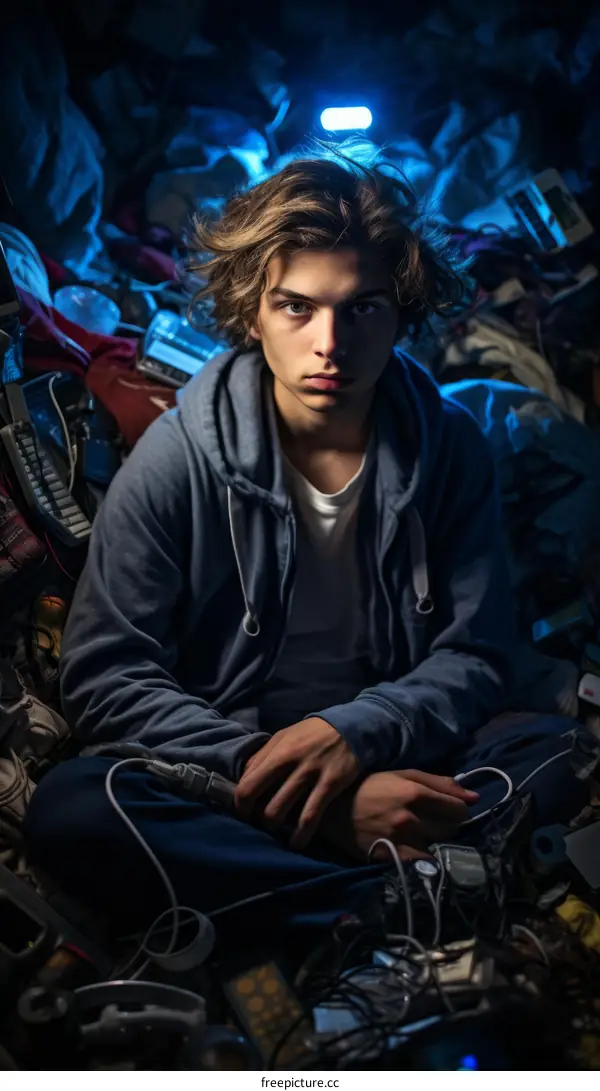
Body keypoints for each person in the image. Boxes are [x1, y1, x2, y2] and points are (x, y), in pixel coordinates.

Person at [24, 148, 585, 942]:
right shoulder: (179, 456)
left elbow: (478, 653)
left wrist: (355, 735)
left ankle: (328, 903)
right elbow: (106, 674)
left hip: (410, 755)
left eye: (362, 309)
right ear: (253, 313)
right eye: (297, 308)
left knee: (562, 749)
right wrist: (309, 796)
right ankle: (390, 903)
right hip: (239, 768)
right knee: (77, 804)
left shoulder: (449, 445)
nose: (330, 343)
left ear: (403, 313)